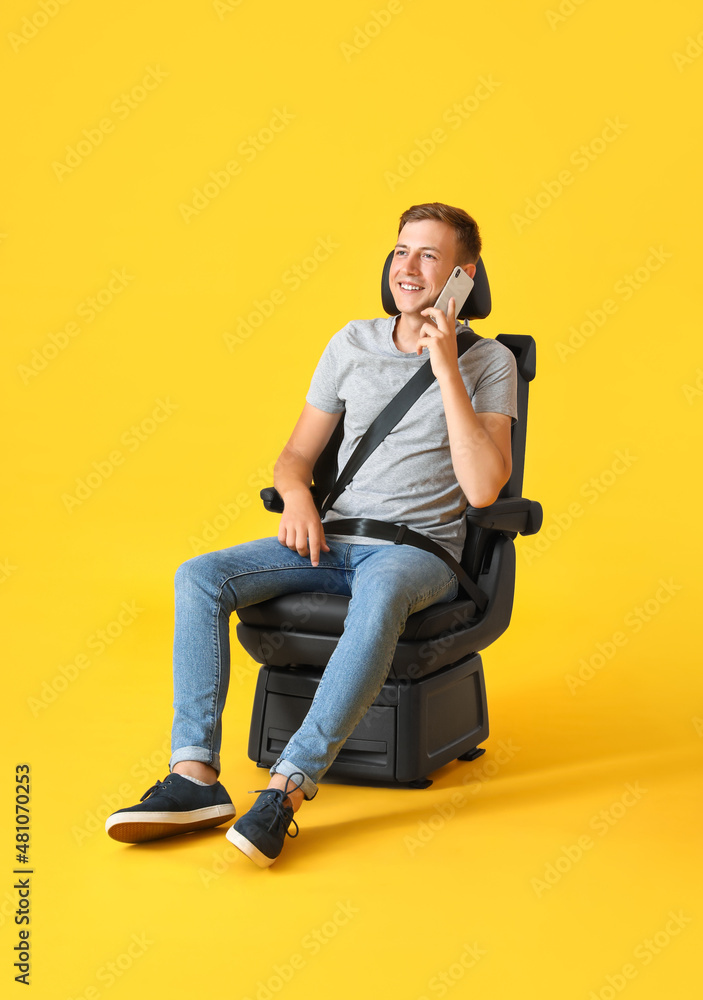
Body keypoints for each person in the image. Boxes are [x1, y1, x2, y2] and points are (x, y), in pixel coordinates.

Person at [105, 202, 518, 867]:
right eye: (400, 251)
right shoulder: (349, 342)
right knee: (198, 576)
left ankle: (286, 790)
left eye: (429, 256)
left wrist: (444, 366)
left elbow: (481, 490)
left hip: (417, 553)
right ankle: (193, 780)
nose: (407, 268)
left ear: (464, 276)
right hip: (330, 541)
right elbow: (296, 455)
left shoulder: (488, 361)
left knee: (377, 597)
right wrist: (296, 495)